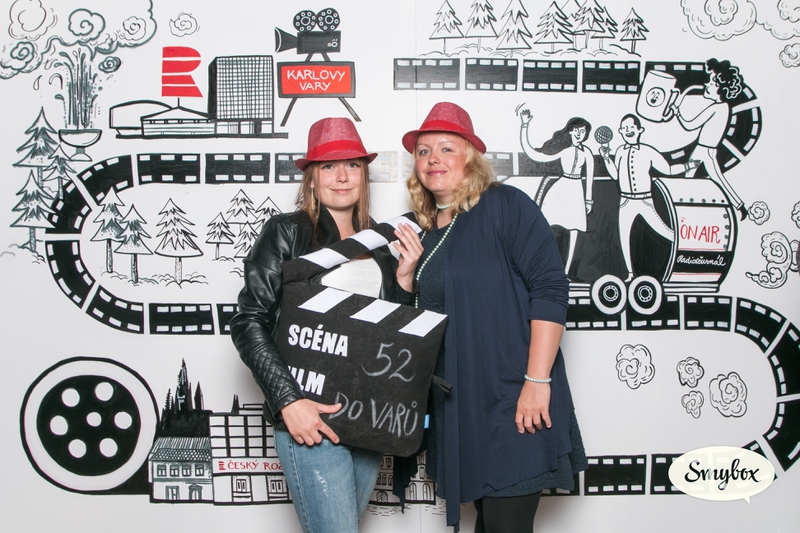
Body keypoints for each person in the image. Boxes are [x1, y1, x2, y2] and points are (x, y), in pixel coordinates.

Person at [399, 102, 587, 532]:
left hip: (514, 400)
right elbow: (422, 329)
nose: (433, 159)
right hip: (463, 408)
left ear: (470, 157)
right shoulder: (426, 231)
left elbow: (551, 289)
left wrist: (537, 382)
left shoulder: (505, 204)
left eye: (447, 148)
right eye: (424, 151)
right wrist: (407, 278)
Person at [230, 117, 422, 533]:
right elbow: (249, 320)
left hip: (367, 418)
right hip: (311, 414)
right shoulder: (287, 231)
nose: (342, 176)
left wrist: (404, 281)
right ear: (311, 178)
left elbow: (391, 336)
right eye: (328, 166)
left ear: (364, 175)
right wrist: (288, 401)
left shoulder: (379, 243)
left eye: (352, 165)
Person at [600, 114, 698, 282]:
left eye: (631, 127)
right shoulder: (620, 151)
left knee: (665, 231)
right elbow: (616, 175)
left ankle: (687, 254)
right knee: (624, 237)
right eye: (625, 128)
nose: (628, 131)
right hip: (625, 202)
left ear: (640, 130)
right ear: (620, 131)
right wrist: (606, 158)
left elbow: (668, 170)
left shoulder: (648, 151)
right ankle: (630, 275)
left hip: (644, 201)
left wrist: (687, 166)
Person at [519, 112, 595, 277]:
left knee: (574, 231)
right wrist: (524, 125)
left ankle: (566, 272)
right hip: (560, 190)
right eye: (576, 130)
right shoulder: (565, 151)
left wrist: (588, 200)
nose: (579, 134)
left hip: (576, 192)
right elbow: (534, 155)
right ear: (570, 131)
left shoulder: (587, 153)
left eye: (582, 131)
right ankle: (539, 267)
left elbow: (589, 177)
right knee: (545, 226)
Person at [672, 58, 748, 220]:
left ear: (721, 88)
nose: (707, 84)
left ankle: (687, 211)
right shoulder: (724, 107)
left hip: (705, 150)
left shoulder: (717, 108)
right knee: (695, 178)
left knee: (704, 179)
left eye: (712, 83)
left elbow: (690, 125)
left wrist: (677, 112)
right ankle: (738, 206)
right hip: (705, 150)